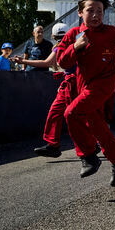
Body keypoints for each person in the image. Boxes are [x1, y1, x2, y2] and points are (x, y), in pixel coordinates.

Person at [55, 0, 115, 185]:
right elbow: (62, 62)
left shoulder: (110, 31)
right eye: (90, 11)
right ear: (80, 13)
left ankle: (89, 156)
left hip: (105, 82)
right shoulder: (73, 35)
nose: (95, 15)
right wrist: (75, 47)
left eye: (99, 11)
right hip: (85, 84)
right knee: (94, 123)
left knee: (71, 113)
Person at [16, 23, 76, 158]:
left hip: (72, 83)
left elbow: (46, 63)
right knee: (66, 113)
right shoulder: (73, 45)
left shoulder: (63, 46)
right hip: (73, 82)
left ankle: (87, 145)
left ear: (53, 36)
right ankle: (54, 145)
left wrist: (24, 62)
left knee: (64, 114)